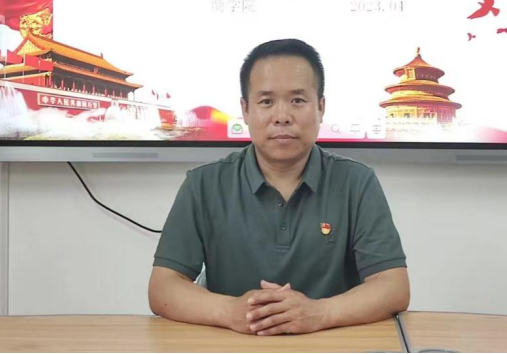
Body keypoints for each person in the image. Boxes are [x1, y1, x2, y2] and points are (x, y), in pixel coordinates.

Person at [149, 39, 409, 335]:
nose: (282, 116)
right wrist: (230, 311)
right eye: (266, 102)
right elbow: (163, 287)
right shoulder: (204, 185)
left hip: (330, 343)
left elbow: (393, 286)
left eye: (297, 100)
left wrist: (318, 313)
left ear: (321, 107)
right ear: (245, 110)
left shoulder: (356, 182)